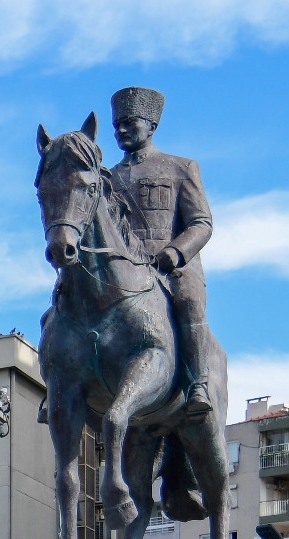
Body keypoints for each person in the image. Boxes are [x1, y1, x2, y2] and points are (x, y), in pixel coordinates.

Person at [105, 86, 215, 416]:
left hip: (171, 268)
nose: (120, 130)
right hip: (124, 268)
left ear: (151, 126)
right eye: (116, 125)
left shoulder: (181, 168)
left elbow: (202, 222)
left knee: (189, 300)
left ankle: (198, 383)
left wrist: (177, 252)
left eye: (129, 122)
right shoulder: (107, 178)